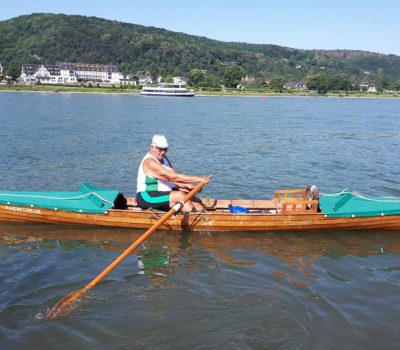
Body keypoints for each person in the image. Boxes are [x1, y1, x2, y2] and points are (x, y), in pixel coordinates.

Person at [136, 134, 212, 212]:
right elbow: (174, 177)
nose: (163, 152)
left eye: (165, 149)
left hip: (163, 192)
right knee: (180, 195)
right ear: (152, 147)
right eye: (160, 149)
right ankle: (195, 219)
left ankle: (203, 216)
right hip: (147, 197)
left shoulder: (164, 158)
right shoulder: (149, 162)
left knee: (188, 194)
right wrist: (198, 178)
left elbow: (175, 181)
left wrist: (190, 187)